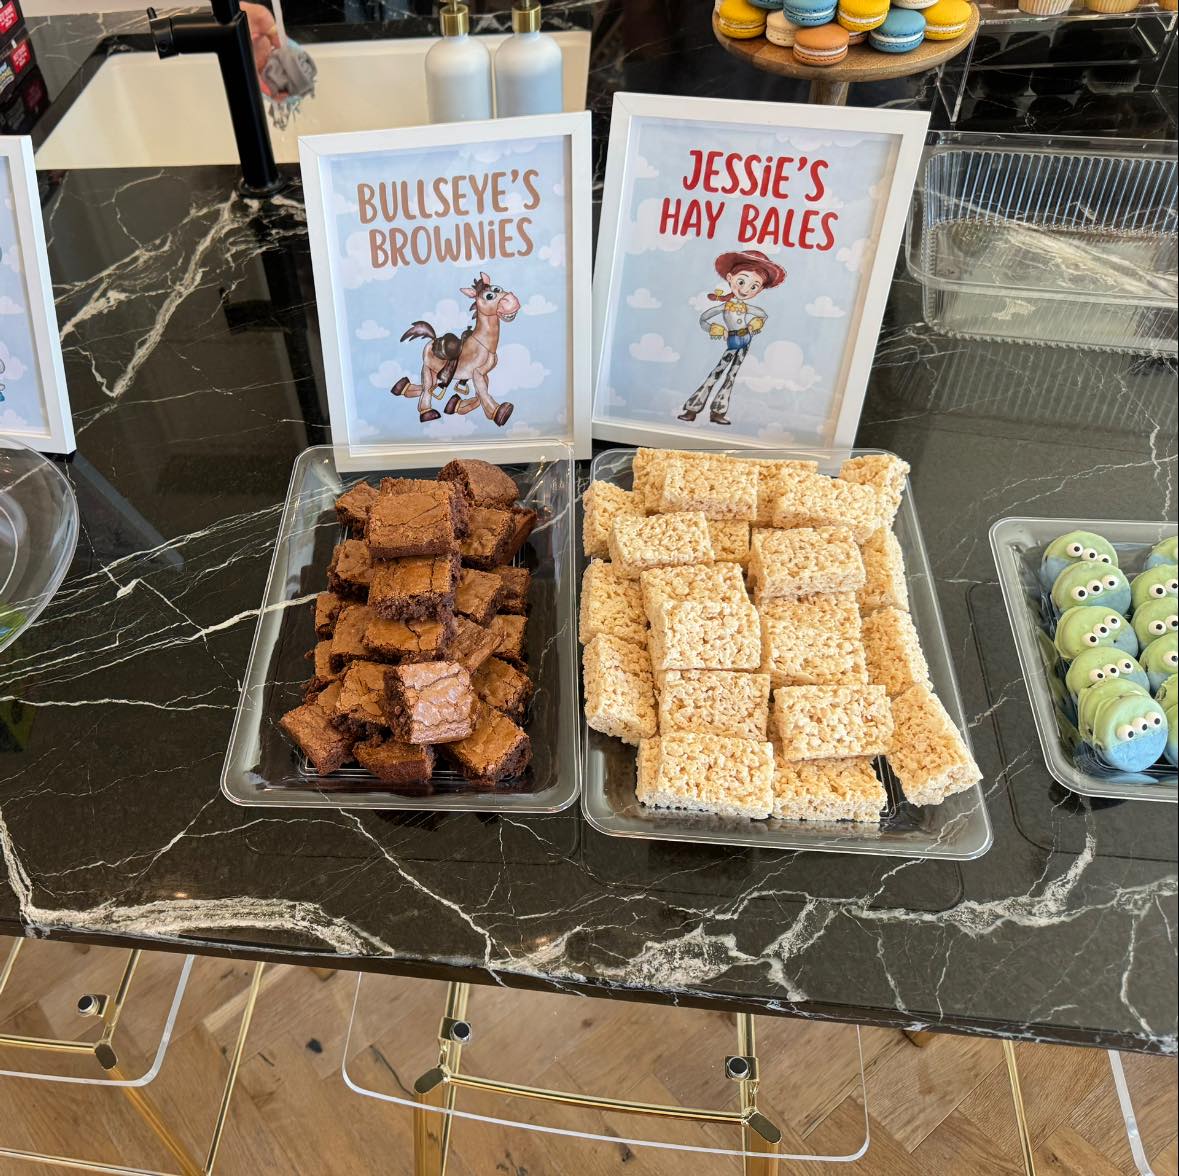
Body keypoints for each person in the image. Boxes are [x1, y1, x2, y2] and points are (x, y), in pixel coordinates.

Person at [679, 249, 786, 427]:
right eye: (741, 281)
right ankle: (692, 409)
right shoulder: (725, 306)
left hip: (745, 342)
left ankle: (718, 411)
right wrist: (717, 329)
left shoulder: (746, 308)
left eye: (754, 286)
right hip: (733, 341)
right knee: (716, 373)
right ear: (730, 278)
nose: (745, 290)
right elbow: (704, 318)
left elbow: (762, 315)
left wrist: (754, 325)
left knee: (732, 375)